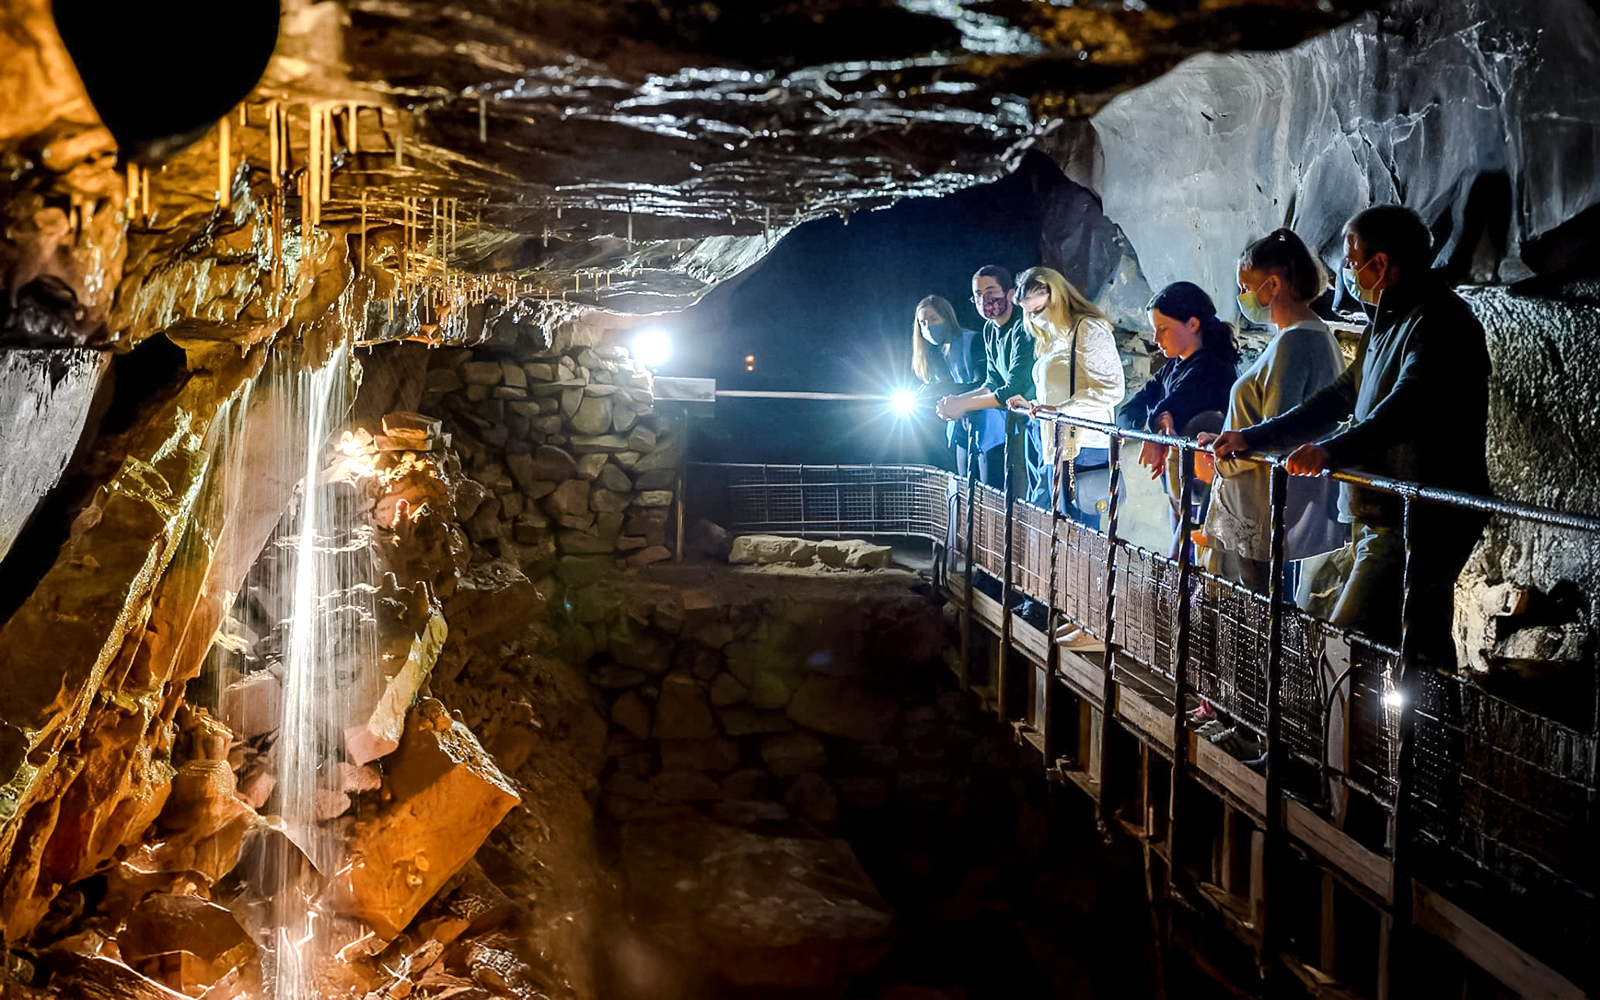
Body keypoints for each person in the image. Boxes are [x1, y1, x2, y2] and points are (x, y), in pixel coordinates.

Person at [1211, 205, 1492, 662]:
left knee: (1363, 645)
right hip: (1382, 507)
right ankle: (1398, 732)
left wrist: (1331, 451)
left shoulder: (1440, 323)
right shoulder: (1387, 322)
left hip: (1420, 513)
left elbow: (1407, 408)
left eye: (1351, 259)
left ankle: (1405, 732)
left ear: (1380, 265)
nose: (1347, 271)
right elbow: (1340, 397)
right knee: (1407, 642)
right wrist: (1255, 438)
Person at [1197, 229, 1347, 599]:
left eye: (1246, 286)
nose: (1244, 297)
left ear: (1274, 284)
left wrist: (1218, 464)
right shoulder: (1314, 335)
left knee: (1248, 616)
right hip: (1268, 507)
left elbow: (1278, 433)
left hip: (1259, 509)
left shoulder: (1296, 342)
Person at [1120, 282, 1240, 553]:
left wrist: (1155, 425)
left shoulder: (1214, 367)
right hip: (1181, 487)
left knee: (1198, 561)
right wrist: (1151, 432)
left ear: (1193, 324)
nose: (1155, 338)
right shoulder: (1173, 367)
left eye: (1163, 329)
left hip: (1208, 490)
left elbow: (1172, 406)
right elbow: (1127, 412)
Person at [1002, 267, 1125, 529]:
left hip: (1085, 447)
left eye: (1038, 310)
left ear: (1057, 297)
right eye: (1028, 312)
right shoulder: (1054, 336)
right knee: (1059, 533)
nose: (1034, 318)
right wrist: (1033, 405)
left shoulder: (1088, 329)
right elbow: (1060, 391)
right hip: (1058, 444)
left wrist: (1062, 410)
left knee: (1081, 536)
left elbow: (1112, 389)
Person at [936, 266, 1037, 496]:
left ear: (1011, 293)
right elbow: (992, 381)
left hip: (1033, 421)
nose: (985, 300)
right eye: (978, 295)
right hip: (1014, 421)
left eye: (991, 291)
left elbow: (1013, 389)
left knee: (1028, 493)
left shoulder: (1024, 327)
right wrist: (956, 400)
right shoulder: (990, 329)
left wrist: (962, 405)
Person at [912, 295, 1004, 484]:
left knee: (990, 493)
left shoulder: (973, 341)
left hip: (989, 427)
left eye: (934, 319)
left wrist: (942, 389)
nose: (928, 326)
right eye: (923, 322)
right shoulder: (934, 352)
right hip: (961, 427)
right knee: (964, 487)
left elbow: (987, 383)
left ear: (948, 317)